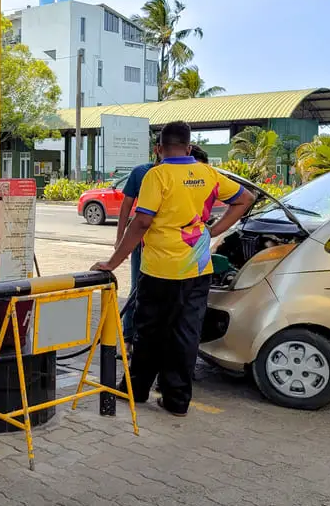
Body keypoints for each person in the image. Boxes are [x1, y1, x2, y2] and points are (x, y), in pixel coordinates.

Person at [92, 122, 254, 417]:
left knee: (149, 331)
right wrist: (214, 229)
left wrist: (112, 262)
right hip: (197, 270)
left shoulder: (158, 175)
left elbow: (141, 222)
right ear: (189, 147)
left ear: (159, 149)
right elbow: (245, 198)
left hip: (160, 270)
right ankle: (177, 400)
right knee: (186, 333)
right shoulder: (208, 173)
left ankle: (137, 390)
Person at [114, 150, 161, 355]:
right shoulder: (141, 172)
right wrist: (120, 239)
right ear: (157, 149)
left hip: (171, 245)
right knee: (137, 288)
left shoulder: (186, 175)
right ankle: (128, 338)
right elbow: (127, 206)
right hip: (142, 242)